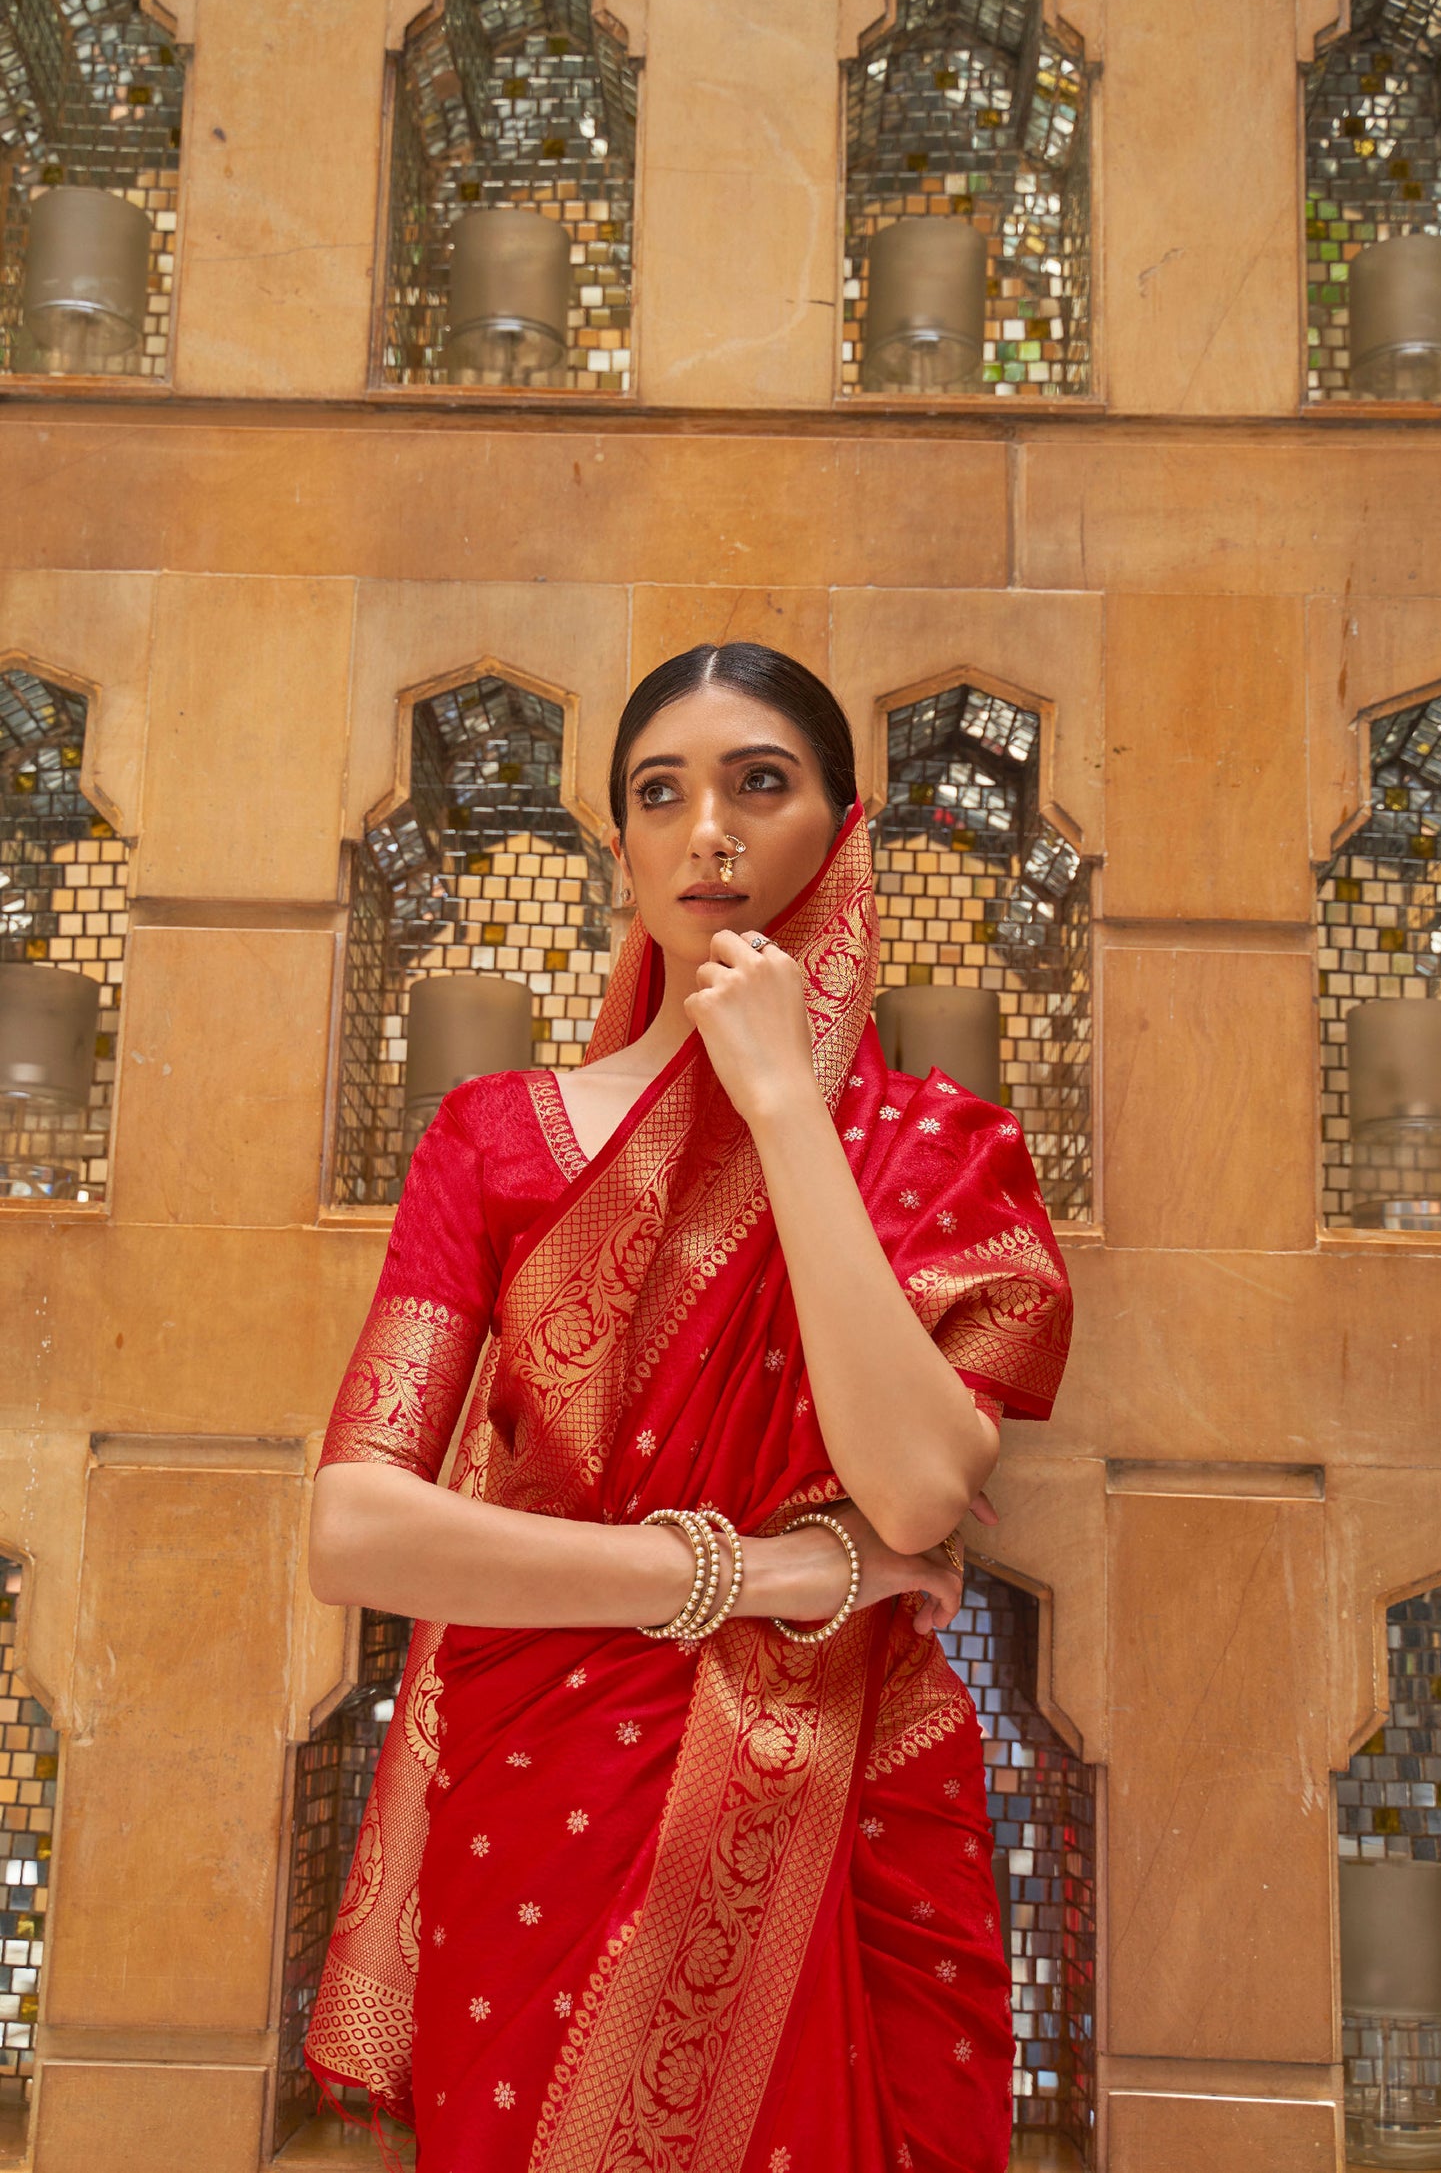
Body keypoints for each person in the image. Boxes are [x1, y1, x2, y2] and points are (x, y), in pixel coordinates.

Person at [305, 641, 1073, 2173]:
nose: (707, 830)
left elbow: (917, 1492)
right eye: (661, 794)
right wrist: (754, 1572)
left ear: (842, 834)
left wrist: (784, 1101)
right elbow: (356, 1528)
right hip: (539, 1793)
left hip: (845, 1796)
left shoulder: (941, 1153)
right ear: (622, 851)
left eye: (758, 783)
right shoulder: (496, 1138)